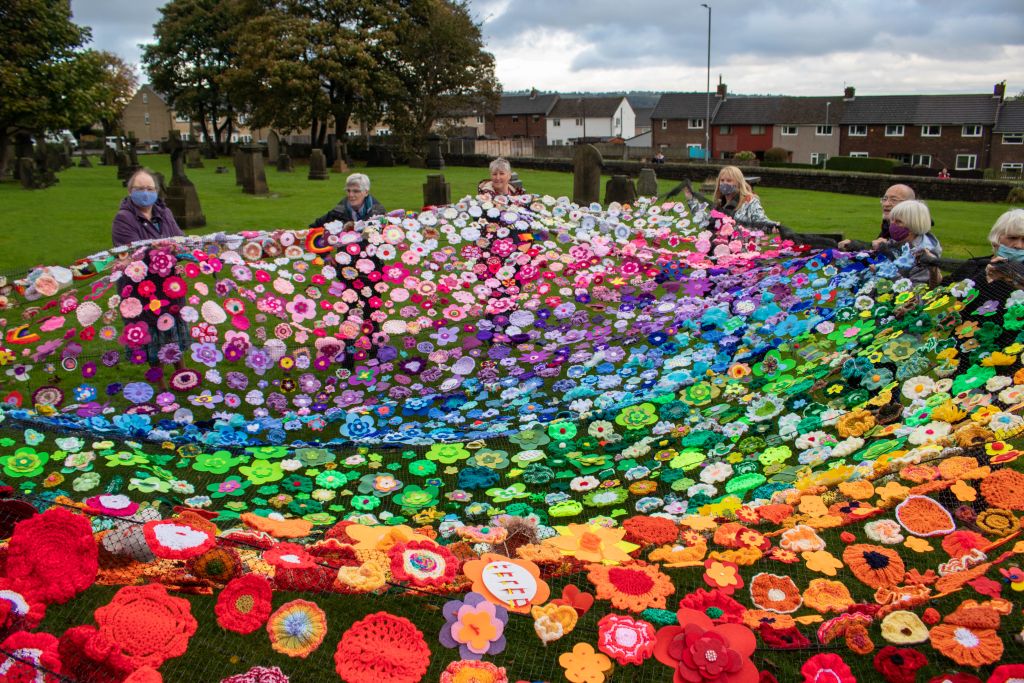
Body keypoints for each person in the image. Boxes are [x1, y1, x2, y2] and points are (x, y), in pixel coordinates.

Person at [948, 209, 1024, 312]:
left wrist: (1012, 280)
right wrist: (932, 267)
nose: (1018, 245)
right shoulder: (975, 265)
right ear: (996, 238)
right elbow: (941, 289)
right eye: (1012, 238)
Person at [871, 199, 941, 284]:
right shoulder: (899, 242)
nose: (893, 225)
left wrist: (885, 272)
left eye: (898, 222)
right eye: (892, 220)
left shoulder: (925, 255)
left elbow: (915, 289)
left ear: (913, 225)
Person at [112, 168, 183, 246]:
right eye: (140, 189)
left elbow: (181, 241)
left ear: (156, 191)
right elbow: (132, 252)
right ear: (130, 191)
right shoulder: (124, 218)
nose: (145, 193)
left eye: (150, 189)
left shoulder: (165, 213)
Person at [684, 165, 771, 227]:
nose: (724, 183)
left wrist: (773, 225)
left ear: (738, 183)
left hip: (742, 250)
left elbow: (761, 220)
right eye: (722, 180)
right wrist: (691, 199)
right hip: (719, 249)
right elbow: (705, 222)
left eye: (729, 180)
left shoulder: (749, 201)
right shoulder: (719, 204)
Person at [838, 183, 916, 250]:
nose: (886, 204)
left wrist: (887, 247)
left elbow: (903, 257)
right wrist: (852, 244)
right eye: (884, 199)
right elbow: (875, 246)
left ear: (909, 204)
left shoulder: (914, 230)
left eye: (894, 200)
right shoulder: (887, 225)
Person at [310, 173, 386, 227]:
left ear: (366, 192)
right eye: (348, 190)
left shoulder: (379, 212)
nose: (351, 195)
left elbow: (389, 236)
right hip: (344, 250)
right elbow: (315, 227)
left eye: (356, 191)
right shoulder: (338, 211)